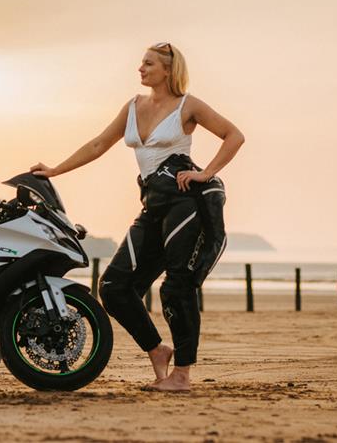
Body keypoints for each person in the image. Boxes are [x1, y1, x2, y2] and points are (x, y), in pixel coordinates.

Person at [30, 42, 244, 391]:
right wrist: (54, 171)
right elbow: (98, 144)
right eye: (141, 63)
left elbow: (234, 136)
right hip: (152, 204)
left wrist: (207, 174)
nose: (140, 69)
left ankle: (182, 375)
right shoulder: (133, 106)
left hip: (183, 205)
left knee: (177, 288)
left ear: (167, 70)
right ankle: (158, 350)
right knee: (114, 287)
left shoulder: (188, 106)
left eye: (148, 63)